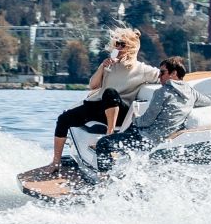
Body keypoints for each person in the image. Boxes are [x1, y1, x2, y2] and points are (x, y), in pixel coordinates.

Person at [45, 28, 155, 169]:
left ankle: (108, 140)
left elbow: (165, 76)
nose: (117, 47)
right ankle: (56, 162)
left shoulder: (142, 69)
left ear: (131, 47)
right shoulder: (109, 65)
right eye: (116, 44)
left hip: (121, 112)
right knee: (63, 119)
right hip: (102, 107)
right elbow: (93, 86)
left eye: (121, 44)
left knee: (110, 93)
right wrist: (102, 67)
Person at [95, 57, 200, 169]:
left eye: (162, 72)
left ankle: (104, 180)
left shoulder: (162, 92)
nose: (159, 76)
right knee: (128, 131)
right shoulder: (191, 93)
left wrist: (135, 118)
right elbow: (210, 101)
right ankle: (116, 150)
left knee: (103, 143)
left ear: (174, 73)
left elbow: (147, 121)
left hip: (145, 139)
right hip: (161, 138)